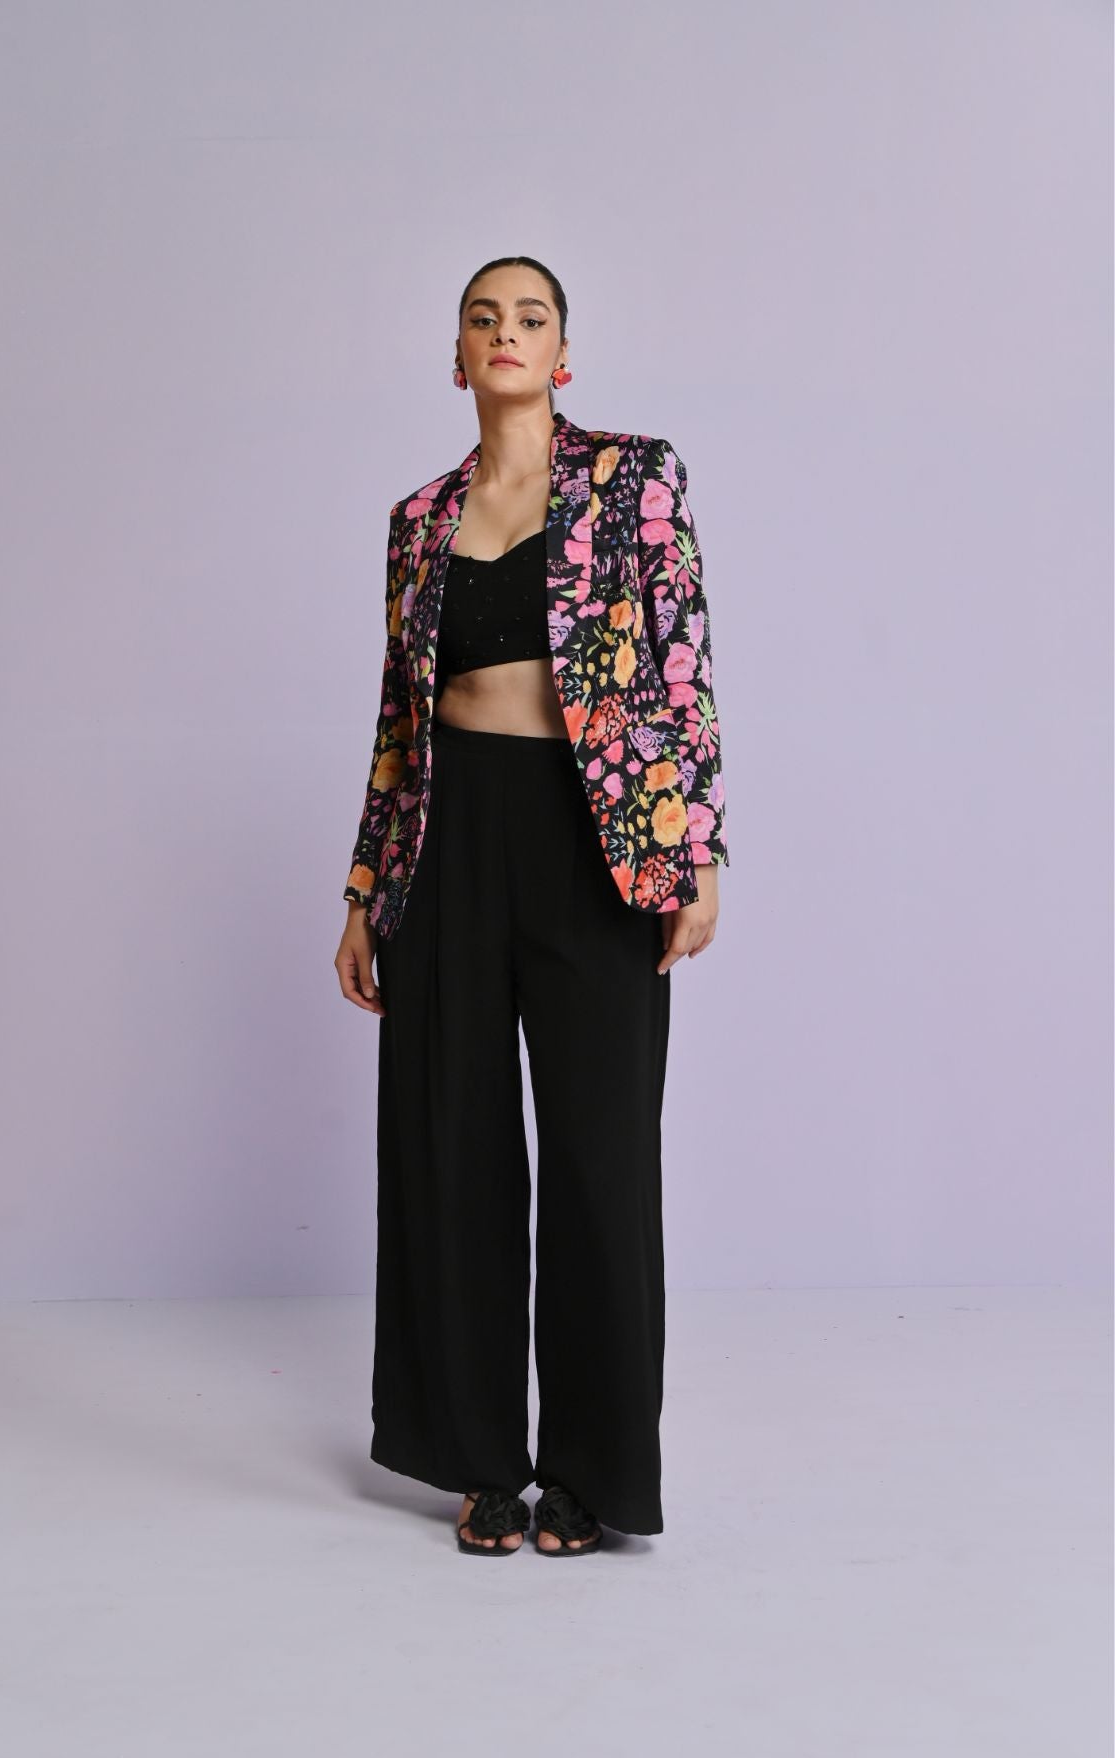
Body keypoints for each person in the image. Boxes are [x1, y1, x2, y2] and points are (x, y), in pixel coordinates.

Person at [334, 255, 728, 1557]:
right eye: (483, 319)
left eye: (531, 318)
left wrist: (697, 850)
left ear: (564, 353)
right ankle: (480, 1461)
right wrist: (365, 889)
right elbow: (398, 725)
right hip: (449, 839)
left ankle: (593, 1473)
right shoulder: (418, 521)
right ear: (457, 357)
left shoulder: (634, 479)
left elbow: (682, 665)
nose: (506, 333)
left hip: (594, 838)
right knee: (452, 1150)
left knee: (601, 1158)